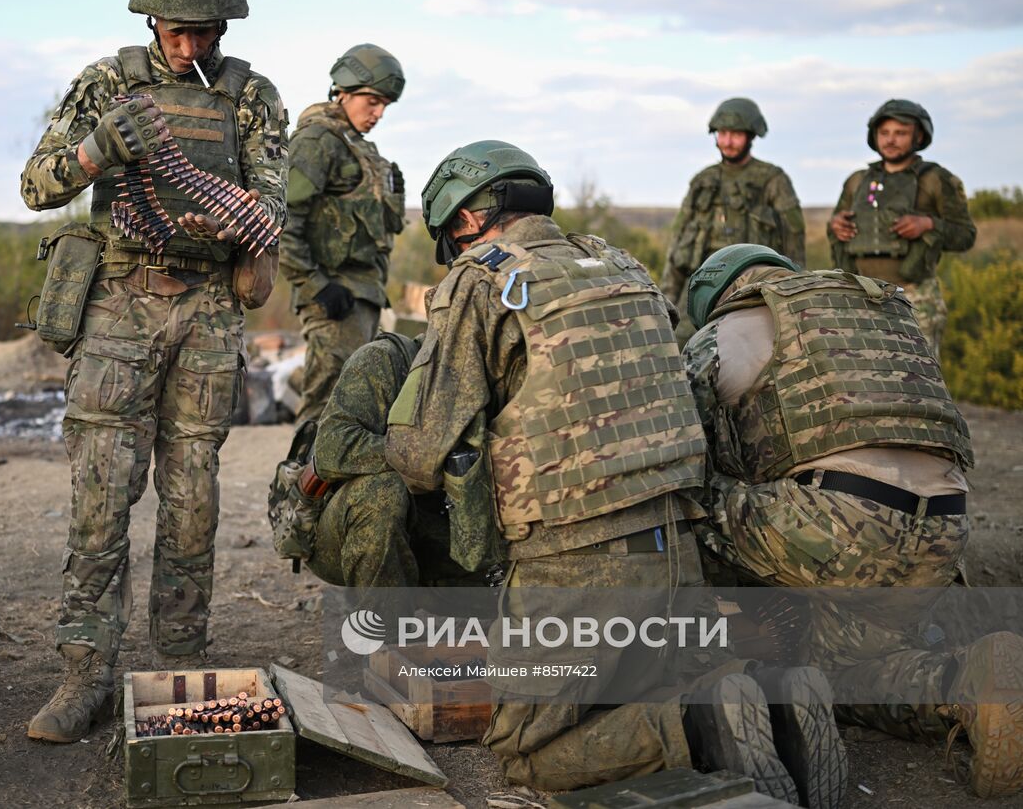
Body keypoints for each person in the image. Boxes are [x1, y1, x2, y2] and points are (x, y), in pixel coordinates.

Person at [383, 141, 842, 804]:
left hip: (574, 563)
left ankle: (698, 721)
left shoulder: (479, 278)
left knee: (525, 751)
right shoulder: (621, 263)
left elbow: (420, 451)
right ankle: (769, 697)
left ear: (465, 219)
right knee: (643, 680)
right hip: (675, 544)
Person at [19, 0, 288, 742]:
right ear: (149, 19)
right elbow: (36, 183)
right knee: (102, 496)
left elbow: (272, 199)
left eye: (204, 31)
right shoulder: (106, 85)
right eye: (176, 29)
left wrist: (244, 227)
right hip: (119, 305)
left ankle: (177, 663)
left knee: (193, 499)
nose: (189, 45)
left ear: (225, 29)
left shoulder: (251, 96)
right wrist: (98, 152)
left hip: (207, 309)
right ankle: (83, 673)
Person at [683, 243, 1022, 799]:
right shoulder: (880, 317)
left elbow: (678, 444)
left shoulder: (724, 332)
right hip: (943, 532)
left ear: (713, 296)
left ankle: (715, 659)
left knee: (685, 500)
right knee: (844, 673)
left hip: (837, 525)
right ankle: (963, 681)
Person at [279, 44, 406, 424]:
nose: (378, 113)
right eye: (372, 101)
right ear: (344, 90)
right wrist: (316, 285)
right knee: (325, 413)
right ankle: (295, 485)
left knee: (356, 413)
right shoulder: (318, 141)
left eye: (385, 104)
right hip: (333, 298)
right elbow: (282, 220)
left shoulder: (359, 148)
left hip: (364, 296)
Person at [304, 331, 477, 588]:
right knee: (381, 493)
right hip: (342, 537)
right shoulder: (384, 359)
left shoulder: (496, 373)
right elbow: (331, 449)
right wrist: (427, 458)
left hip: (440, 535)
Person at [827, 99, 975, 354]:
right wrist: (836, 226)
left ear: (919, 136)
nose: (891, 140)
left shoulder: (936, 179)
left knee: (920, 382)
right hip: (860, 293)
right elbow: (836, 225)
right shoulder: (857, 182)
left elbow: (965, 235)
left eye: (900, 133)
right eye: (884, 133)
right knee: (862, 377)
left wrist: (928, 224)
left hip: (915, 296)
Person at [661, 98, 804, 340]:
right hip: (700, 288)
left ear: (751, 135)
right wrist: (666, 302)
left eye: (735, 134)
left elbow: (794, 243)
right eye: (722, 133)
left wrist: (798, 298)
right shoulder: (702, 181)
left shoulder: (773, 180)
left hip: (753, 288)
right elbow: (678, 246)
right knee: (678, 346)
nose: (727, 141)